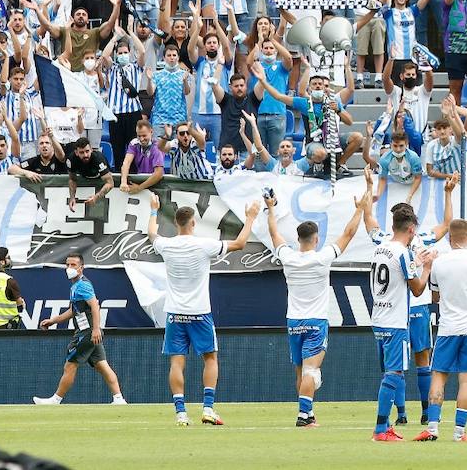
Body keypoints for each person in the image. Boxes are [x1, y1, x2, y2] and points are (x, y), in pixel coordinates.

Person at [146, 191, 260, 426]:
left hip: (175, 313)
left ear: (176, 223)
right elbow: (240, 244)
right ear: (193, 223)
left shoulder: (167, 245)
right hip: (199, 312)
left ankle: (181, 413)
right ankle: (208, 408)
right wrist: (250, 217)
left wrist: (153, 210)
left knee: (177, 362)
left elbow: (151, 234)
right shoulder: (204, 245)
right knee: (210, 358)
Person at [266, 187, 369, 427]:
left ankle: (308, 413)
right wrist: (360, 209)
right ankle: (303, 416)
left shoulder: (288, 258)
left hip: (293, 321)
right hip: (315, 321)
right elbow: (349, 233)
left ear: (298, 239)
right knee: (312, 371)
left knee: (302, 371)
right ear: (316, 238)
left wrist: (270, 208)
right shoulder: (322, 258)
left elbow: (273, 233)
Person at [420, 219, 467, 443]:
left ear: (449, 237)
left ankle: (432, 428)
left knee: (438, 376)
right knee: (466, 382)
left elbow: (434, 297)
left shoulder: (439, 263)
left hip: (447, 328)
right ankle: (459, 433)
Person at [369, 204, 435, 442]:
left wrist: (415, 261)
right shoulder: (402, 252)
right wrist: (426, 267)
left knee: (388, 373)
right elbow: (417, 290)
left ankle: (386, 424)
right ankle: (380, 430)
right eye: (413, 233)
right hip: (395, 321)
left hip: (378, 318)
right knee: (395, 373)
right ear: (410, 229)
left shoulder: (381, 249)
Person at [32, 252, 128, 406]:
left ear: (81, 268)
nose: (69, 268)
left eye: (73, 265)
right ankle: (119, 399)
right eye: (67, 264)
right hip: (90, 332)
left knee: (70, 365)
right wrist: (53, 321)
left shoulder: (83, 285)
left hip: (87, 333)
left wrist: (96, 329)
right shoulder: (75, 286)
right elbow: (72, 311)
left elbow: (95, 305)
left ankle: (55, 400)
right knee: (102, 365)